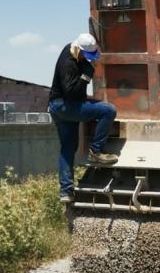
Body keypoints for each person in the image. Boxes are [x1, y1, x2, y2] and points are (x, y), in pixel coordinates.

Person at [48, 33, 118, 202]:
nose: (89, 60)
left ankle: (66, 192)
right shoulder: (69, 64)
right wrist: (86, 76)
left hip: (58, 107)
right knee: (108, 110)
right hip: (65, 105)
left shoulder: (70, 48)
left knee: (68, 147)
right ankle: (96, 151)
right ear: (79, 50)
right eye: (86, 57)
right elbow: (72, 93)